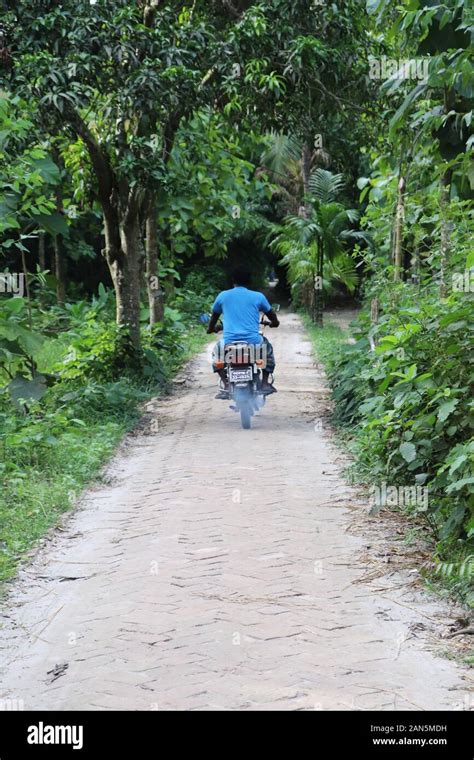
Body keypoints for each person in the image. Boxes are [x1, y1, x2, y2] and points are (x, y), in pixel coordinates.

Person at [207, 267, 280, 399]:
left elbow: (214, 317)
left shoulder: (223, 296)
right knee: (267, 349)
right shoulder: (258, 296)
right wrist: (275, 323)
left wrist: (211, 328)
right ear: (249, 281)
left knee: (217, 355)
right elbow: (271, 314)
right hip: (253, 342)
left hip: (229, 343)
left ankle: (226, 384)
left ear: (233, 280)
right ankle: (264, 383)